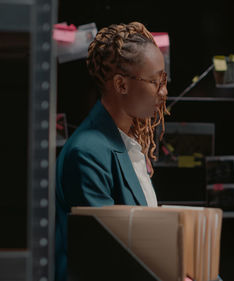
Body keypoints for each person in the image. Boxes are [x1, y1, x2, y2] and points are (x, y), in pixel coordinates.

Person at [55, 22, 168, 281]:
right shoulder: (88, 153)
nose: (164, 92)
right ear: (121, 84)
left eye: (163, 80)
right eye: (155, 81)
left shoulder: (125, 142)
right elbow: (108, 257)